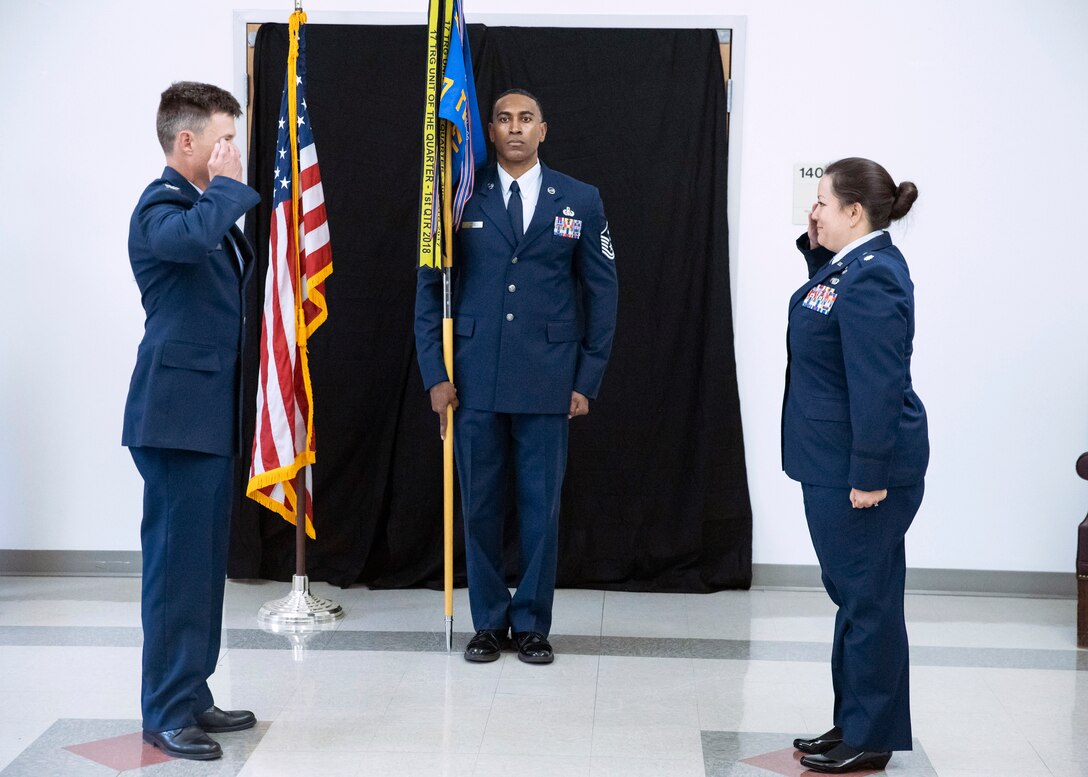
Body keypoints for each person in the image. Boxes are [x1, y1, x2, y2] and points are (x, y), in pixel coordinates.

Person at [415, 89, 619, 664]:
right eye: (503, 119)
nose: (514, 129)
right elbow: (431, 290)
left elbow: (603, 292)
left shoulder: (580, 199)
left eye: (526, 118)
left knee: (541, 507)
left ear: (543, 129)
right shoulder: (457, 198)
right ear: (490, 129)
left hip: (549, 380)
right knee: (478, 506)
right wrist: (434, 372)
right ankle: (487, 622)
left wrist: (588, 377)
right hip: (471, 380)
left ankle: (530, 622)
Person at [122, 82, 260, 760]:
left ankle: (192, 691)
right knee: (176, 571)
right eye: (223, 138)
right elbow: (189, 240)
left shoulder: (202, 212)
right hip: (174, 420)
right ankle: (166, 710)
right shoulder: (162, 207)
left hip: (207, 418)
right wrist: (227, 189)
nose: (232, 151)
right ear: (187, 143)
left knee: (203, 568)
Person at [783, 158, 929, 773]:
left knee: (865, 600)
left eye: (820, 202)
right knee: (860, 596)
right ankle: (857, 724)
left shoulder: (874, 277)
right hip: (834, 459)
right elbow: (825, 321)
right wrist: (817, 254)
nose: (811, 211)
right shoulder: (853, 267)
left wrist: (868, 473)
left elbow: (877, 382)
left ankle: (869, 737)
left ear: (853, 211)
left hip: (859, 469)